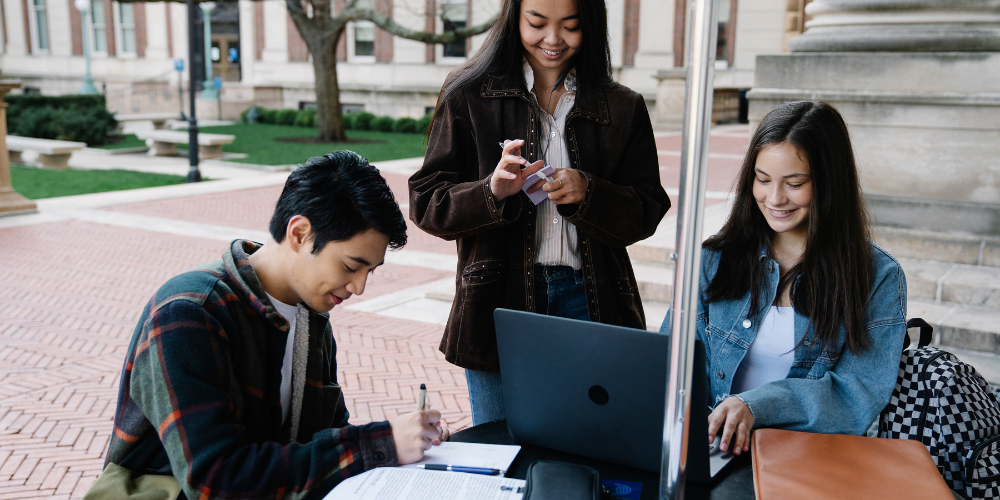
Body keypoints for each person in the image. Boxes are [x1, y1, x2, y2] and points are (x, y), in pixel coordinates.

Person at [102, 151, 447, 499]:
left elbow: (325, 438)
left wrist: (403, 443)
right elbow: (215, 481)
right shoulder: (190, 314)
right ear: (299, 233)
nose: (359, 287)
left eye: (369, 271)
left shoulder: (312, 315)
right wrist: (379, 443)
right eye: (350, 266)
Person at [408, 0, 671, 425]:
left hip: (592, 298)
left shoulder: (622, 106)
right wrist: (491, 191)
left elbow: (648, 208)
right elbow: (426, 201)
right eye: (537, 23)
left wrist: (590, 193)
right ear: (515, 19)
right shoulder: (469, 93)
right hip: (499, 301)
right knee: (503, 448)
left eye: (570, 25)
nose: (553, 39)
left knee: (594, 441)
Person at [660, 101, 907, 457]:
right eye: (762, 180)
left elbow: (857, 393)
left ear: (830, 182)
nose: (774, 198)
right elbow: (673, 358)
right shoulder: (713, 259)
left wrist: (757, 406)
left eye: (794, 183)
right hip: (712, 449)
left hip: (808, 457)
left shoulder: (877, 277)